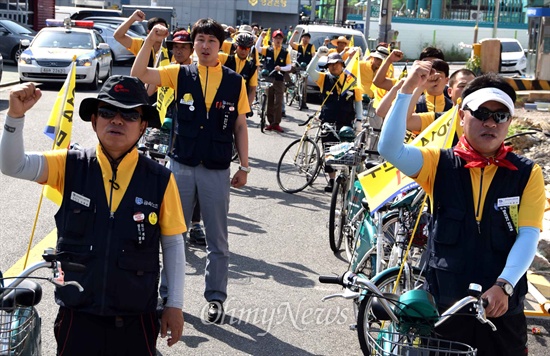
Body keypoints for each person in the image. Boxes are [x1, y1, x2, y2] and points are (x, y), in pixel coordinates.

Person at [0, 76, 186, 354]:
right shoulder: (70, 163)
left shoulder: (161, 179)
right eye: (108, 112)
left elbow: (172, 243)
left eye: (129, 114)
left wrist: (175, 305)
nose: (117, 120)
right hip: (78, 316)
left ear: (143, 124)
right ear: (94, 120)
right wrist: (15, 116)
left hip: (136, 318)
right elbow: (13, 165)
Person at [378, 62, 546, 356]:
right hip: (447, 307)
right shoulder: (438, 162)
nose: (490, 123)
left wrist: (504, 285)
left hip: (502, 308)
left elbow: (528, 235)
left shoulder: (526, 173)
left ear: (509, 121)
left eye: (500, 115)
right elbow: (390, 148)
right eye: (481, 114)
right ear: (461, 116)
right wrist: (407, 90)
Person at [131, 18, 250, 324]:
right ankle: (168, 295)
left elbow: (240, 125)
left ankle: (215, 298)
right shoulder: (179, 73)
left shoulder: (234, 81)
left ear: (220, 45)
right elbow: (139, 74)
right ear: (193, 45)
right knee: (172, 234)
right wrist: (151, 41)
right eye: (201, 41)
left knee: (217, 239)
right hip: (181, 165)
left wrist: (245, 167)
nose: (206, 46)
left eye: (211, 41)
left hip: (216, 168)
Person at [307, 48, 363, 192]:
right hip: (328, 120)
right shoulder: (324, 78)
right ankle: (332, 180)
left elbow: (357, 101)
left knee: (346, 151)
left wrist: (359, 120)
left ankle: (344, 179)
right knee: (329, 150)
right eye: (330, 64)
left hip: (346, 120)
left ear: (342, 64)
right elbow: (310, 71)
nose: (333, 67)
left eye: (336, 64)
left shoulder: (351, 79)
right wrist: (318, 55)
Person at [255, 29, 291, 132]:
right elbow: (257, 48)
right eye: (276, 38)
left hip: (279, 79)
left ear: (282, 40)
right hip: (269, 78)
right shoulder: (268, 50)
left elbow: (289, 66)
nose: (278, 40)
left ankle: (276, 123)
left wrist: (281, 68)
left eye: (280, 38)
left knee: (278, 101)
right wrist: (261, 37)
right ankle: (270, 122)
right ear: (273, 39)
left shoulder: (285, 52)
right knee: (269, 100)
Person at [219, 32, 258, 108]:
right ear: (236, 46)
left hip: (239, 105)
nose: (243, 51)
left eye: (246, 49)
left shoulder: (251, 67)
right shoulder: (225, 58)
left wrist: (247, 106)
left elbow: (252, 89)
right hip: (221, 102)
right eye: (241, 48)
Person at [288, 31, 316, 109]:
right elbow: (290, 43)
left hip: (306, 68)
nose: (305, 39)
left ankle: (303, 103)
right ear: (302, 38)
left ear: (309, 39)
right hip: (297, 65)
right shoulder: (298, 46)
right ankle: (290, 86)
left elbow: (313, 56)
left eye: (307, 38)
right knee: (288, 70)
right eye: (304, 37)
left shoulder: (311, 46)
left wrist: (312, 64)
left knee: (304, 85)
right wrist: (294, 34)